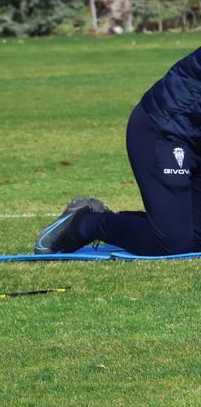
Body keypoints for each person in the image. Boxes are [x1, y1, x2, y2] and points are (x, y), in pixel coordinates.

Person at [34, 46, 201, 256]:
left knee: (195, 238)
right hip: (165, 131)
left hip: (194, 136)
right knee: (173, 244)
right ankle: (84, 223)